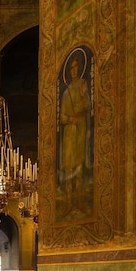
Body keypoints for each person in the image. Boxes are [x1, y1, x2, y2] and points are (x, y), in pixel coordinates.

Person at [59, 55, 90, 213]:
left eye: (76, 67)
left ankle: (79, 201)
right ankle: (69, 203)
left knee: (79, 166)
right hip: (69, 132)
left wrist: (84, 94)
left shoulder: (82, 85)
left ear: (79, 68)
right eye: (71, 68)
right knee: (69, 168)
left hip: (81, 129)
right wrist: (70, 118)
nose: (73, 70)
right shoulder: (65, 94)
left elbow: (87, 106)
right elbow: (62, 116)